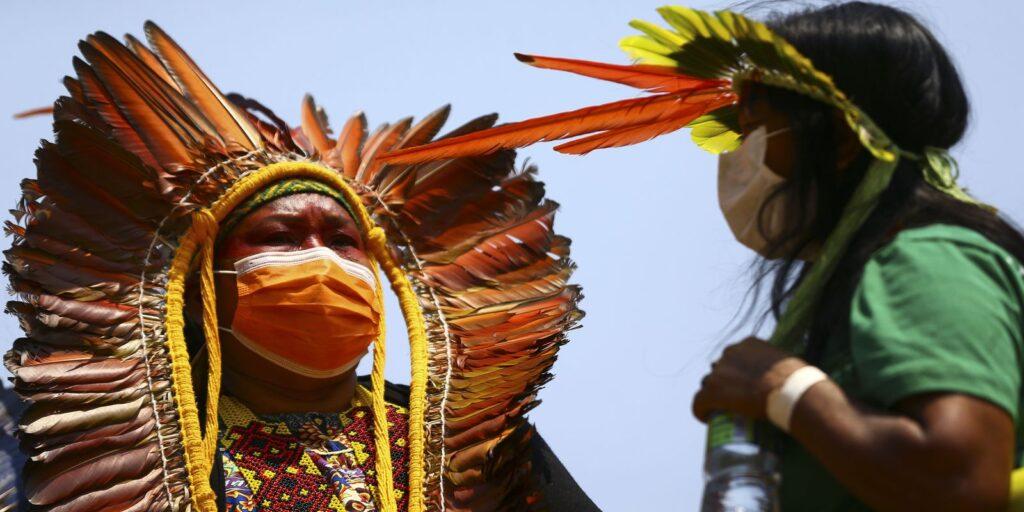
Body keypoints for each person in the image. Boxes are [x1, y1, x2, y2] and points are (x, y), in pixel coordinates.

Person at [381, 3, 1024, 510]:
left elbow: (965, 484)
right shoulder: (869, 276)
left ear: (840, 143)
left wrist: (786, 391)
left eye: (753, 126)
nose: (735, 152)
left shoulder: (928, 258)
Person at [0, 22, 598, 512]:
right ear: (197, 281)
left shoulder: (474, 446)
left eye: (343, 239)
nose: (322, 260)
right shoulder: (53, 433)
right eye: (280, 238)